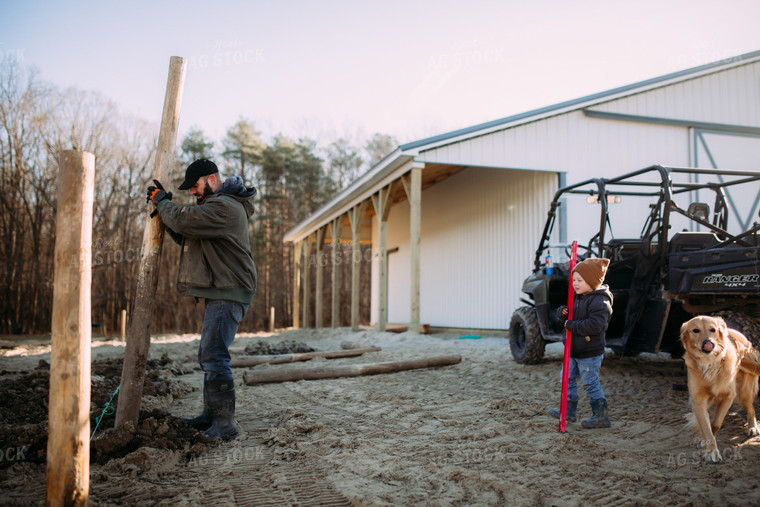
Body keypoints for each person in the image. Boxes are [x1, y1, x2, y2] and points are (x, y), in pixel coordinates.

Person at [146, 158, 257, 441]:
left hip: (229, 290)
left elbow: (184, 220)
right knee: (209, 354)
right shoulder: (217, 207)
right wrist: (165, 207)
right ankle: (212, 416)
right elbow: (186, 231)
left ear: (210, 179)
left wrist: (162, 202)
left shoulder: (225, 206)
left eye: (195, 186)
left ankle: (225, 424)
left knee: (214, 355)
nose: (193, 193)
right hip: (224, 288)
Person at [549, 257, 613, 429]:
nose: (575, 284)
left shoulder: (600, 301)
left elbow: (594, 325)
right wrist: (563, 313)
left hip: (589, 352)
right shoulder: (580, 296)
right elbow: (572, 315)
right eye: (574, 280)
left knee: (590, 383)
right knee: (567, 378)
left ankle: (601, 416)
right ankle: (569, 410)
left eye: (579, 280)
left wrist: (571, 325)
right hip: (574, 350)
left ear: (592, 281)